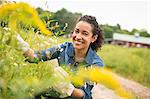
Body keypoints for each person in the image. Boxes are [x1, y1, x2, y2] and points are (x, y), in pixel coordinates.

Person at [17, 15, 104, 99]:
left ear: (93, 38)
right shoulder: (64, 48)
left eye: (85, 34)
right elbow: (36, 57)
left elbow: (84, 94)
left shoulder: (96, 64)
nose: (78, 37)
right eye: (76, 31)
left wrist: (69, 89)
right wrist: (20, 45)